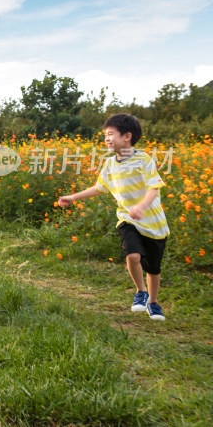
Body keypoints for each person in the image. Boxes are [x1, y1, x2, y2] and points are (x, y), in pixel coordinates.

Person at [58, 114, 169, 321]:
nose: (106, 139)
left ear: (127, 136)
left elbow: (154, 188)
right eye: (105, 135)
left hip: (154, 223)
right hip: (128, 219)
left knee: (153, 268)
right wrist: (73, 197)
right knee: (133, 255)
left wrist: (141, 206)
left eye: (110, 134)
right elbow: (99, 188)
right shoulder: (109, 164)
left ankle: (153, 303)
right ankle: (140, 292)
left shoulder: (144, 160)